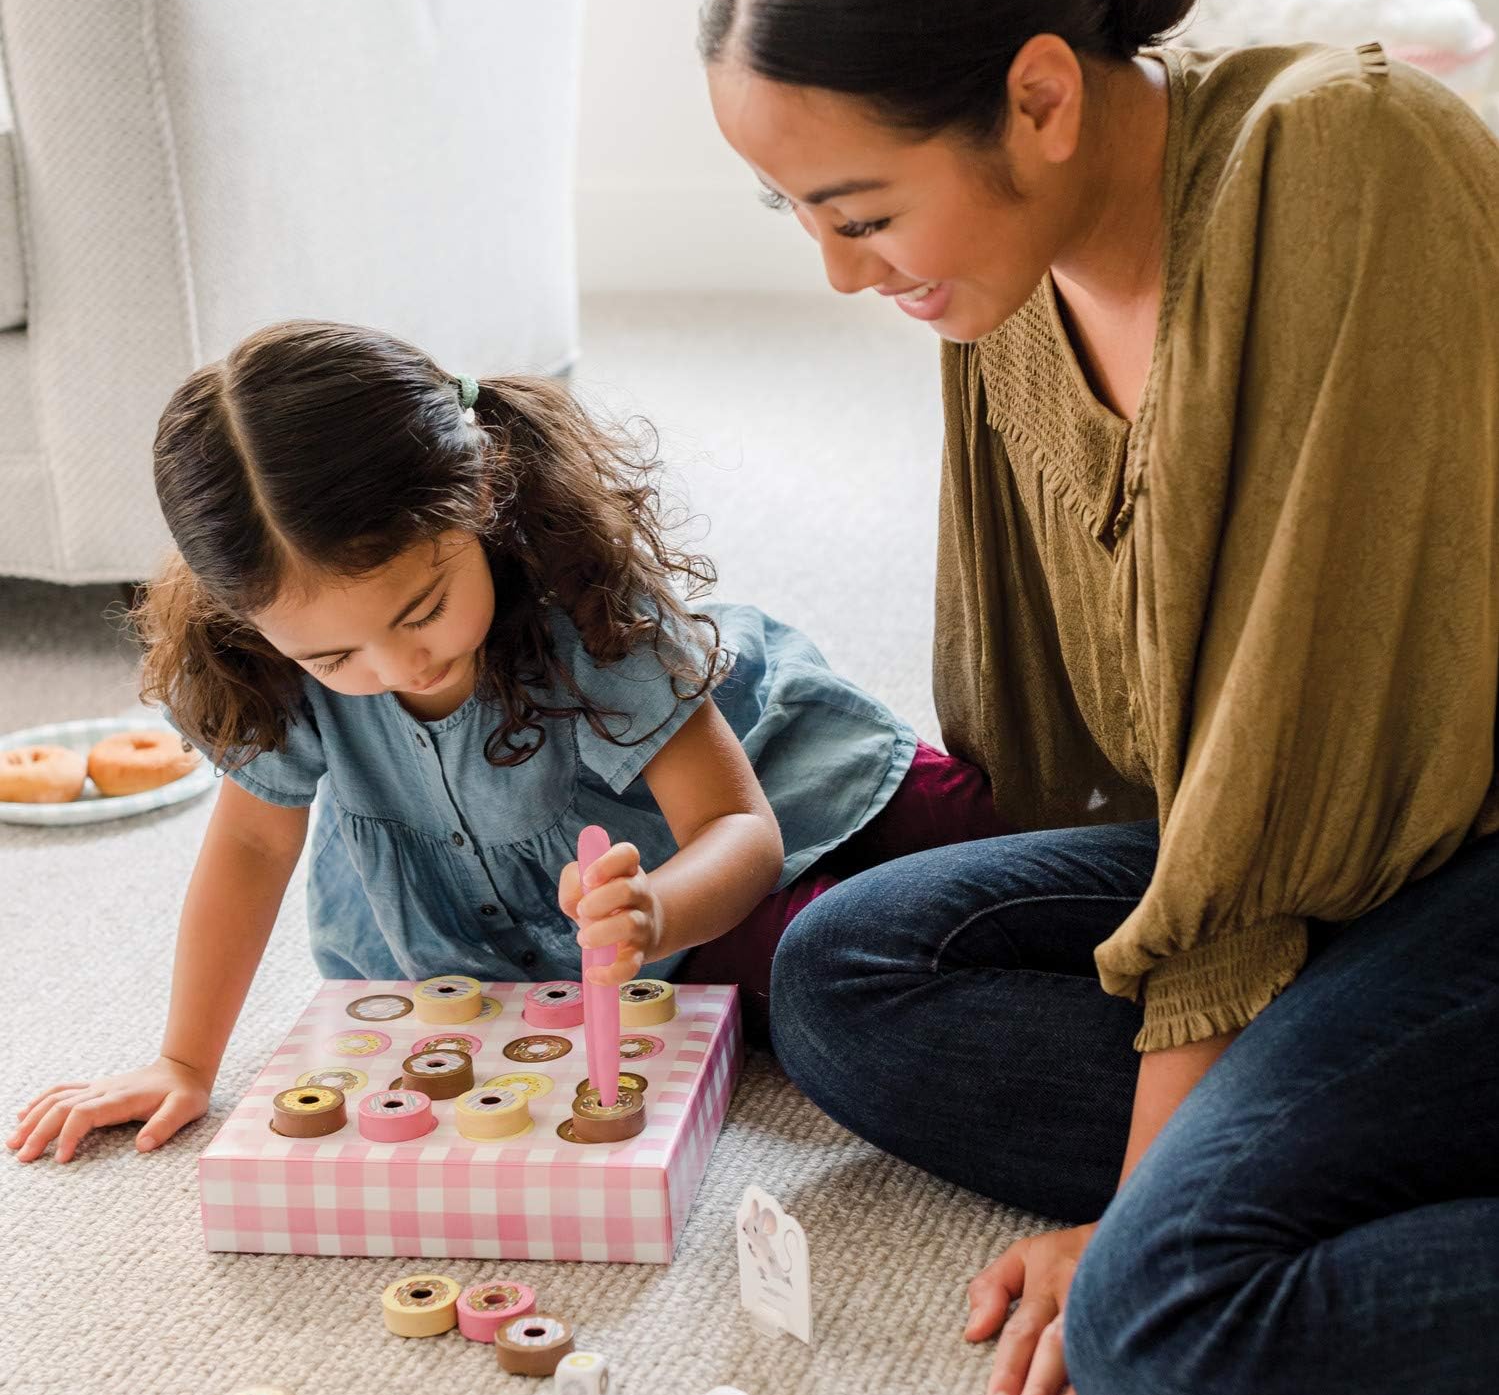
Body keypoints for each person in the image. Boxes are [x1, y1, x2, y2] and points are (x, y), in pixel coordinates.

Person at [702, 0, 1499, 1395]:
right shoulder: (1015, 277)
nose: (839, 274)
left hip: (1455, 832)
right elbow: (1140, 772)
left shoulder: (1343, 159)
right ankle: (1339, 1144)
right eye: (792, 213)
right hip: (1340, 860)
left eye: (863, 214)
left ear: (1042, 99)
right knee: (846, 974)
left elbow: (1283, 767)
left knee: (1170, 1333)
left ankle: (1262, 1187)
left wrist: (1137, 1204)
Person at [8, 319, 1001, 1166]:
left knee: (985, 838)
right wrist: (184, 1060)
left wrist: (658, 906)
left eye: (423, 608)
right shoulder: (266, 668)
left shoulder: (586, 605)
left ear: (477, 499)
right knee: (853, 969)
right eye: (334, 654)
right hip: (626, 935)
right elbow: (252, 846)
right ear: (253, 626)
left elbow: (740, 826)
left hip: (753, 780)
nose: (397, 666)